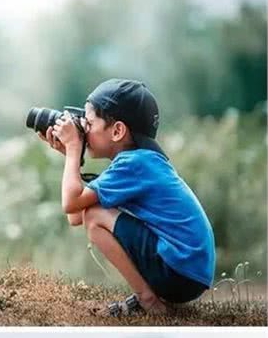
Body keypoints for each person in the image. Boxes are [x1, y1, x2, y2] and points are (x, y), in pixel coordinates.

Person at [40, 79, 215, 315]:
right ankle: (148, 297)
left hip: (179, 270)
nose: (83, 129)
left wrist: (73, 149)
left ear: (117, 130)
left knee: (95, 214)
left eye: (89, 123)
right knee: (91, 212)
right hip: (188, 272)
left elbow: (74, 206)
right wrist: (73, 155)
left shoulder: (133, 164)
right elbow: (75, 216)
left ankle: (148, 301)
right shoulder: (139, 162)